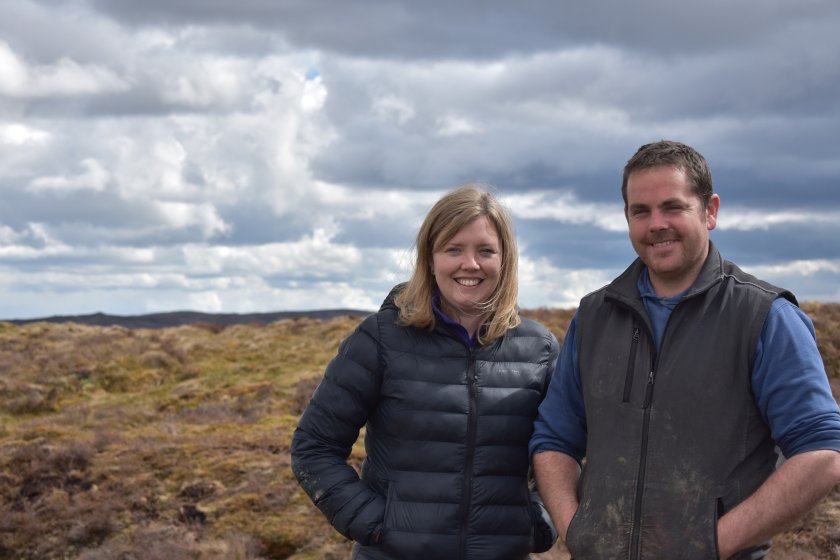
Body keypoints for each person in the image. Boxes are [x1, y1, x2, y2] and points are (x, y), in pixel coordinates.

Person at [530, 140, 840, 559]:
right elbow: (554, 439)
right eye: (641, 211)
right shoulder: (594, 316)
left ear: (709, 211)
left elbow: (821, 452)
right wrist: (576, 528)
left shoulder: (765, 317)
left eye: (672, 207)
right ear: (627, 218)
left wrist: (710, 546)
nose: (657, 223)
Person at [292, 184, 560, 559]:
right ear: (430, 259)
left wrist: (539, 522)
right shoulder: (381, 339)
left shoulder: (540, 350)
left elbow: (570, 449)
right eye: (454, 249)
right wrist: (377, 525)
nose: (471, 264)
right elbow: (314, 446)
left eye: (486, 250)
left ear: (506, 259)